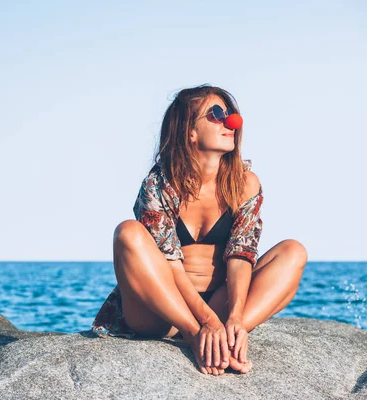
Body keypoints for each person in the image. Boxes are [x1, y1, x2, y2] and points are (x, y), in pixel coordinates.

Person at [90, 84, 308, 376]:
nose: (230, 121)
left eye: (229, 113)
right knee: (127, 232)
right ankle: (196, 339)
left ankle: (230, 339)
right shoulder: (159, 185)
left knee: (293, 251)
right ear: (190, 131)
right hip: (162, 311)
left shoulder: (245, 184)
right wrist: (201, 326)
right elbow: (172, 267)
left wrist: (232, 319)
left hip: (219, 301)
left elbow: (241, 257)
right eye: (216, 114)